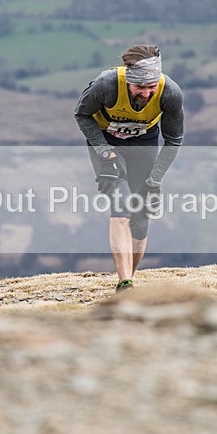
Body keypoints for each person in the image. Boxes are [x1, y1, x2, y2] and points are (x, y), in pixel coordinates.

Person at [74, 44, 184, 292]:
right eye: (140, 88)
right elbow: (82, 115)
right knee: (122, 205)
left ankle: (130, 281)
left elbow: (173, 140)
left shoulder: (170, 93)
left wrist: (154, 181)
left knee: (141, 214)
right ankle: (124, 283)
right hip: (106, 142)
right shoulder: (106, 84)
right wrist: (104, 151)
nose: (146, 94)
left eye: (150, 87)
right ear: (128, 82)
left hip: (143, 144)